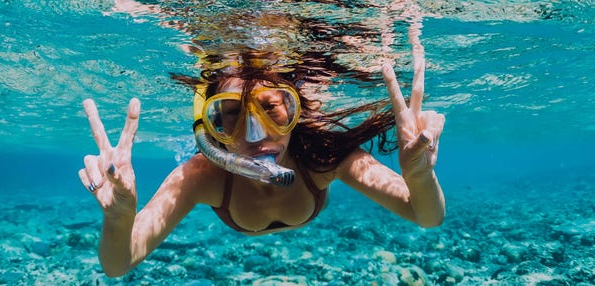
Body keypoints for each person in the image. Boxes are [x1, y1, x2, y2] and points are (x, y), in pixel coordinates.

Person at [78, 3, 445, 278]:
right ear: (211, 128)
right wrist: (120, 218)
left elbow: (426, 215)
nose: (256, 135)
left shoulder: (322, 156)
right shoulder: (203, 175)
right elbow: (118, 264)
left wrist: (419, 177)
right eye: (232, 115)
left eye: (274, 108)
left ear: (295, 112)